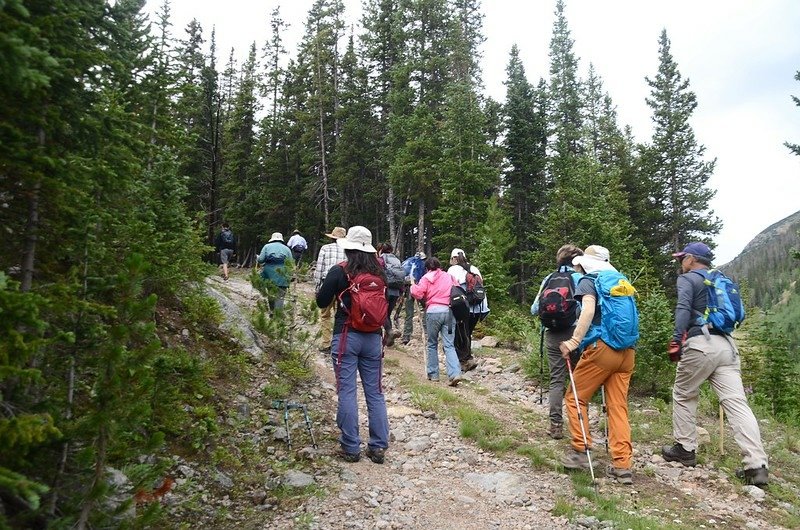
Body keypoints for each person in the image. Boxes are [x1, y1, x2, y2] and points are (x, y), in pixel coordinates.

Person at [662, 242, 769, 487]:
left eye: (682, 259)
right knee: (737, 403)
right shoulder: (719, 278)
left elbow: (682, 308)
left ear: (690, 259)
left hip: (701, 342)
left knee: (683, 393)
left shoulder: (688, 279)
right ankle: (756, 466)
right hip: (727, 346)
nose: (681, 263)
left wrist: (677, 339)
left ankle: (685, 449)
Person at [559, 245, 636, 485]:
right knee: (617, 406)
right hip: (627, 351)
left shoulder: (589, 280)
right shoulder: (621, 281)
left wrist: (574, 341)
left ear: (586, 262)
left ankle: (581, 451)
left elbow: (588, 310)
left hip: (602, 349)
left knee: (575, 398)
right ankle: (622, 465)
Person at [315, 226, 390, 464]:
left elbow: (321, 301)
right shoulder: (381, 273)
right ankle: (378, 447)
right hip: (373, 338)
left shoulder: (340, 271)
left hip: (346, 334)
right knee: (375, 392)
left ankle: (351, 447)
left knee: (347, 390)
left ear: (348, 248)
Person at [531, 244, 584, 439]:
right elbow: (586, 308)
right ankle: (579, 428)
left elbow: (534, 309)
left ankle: (555, 426)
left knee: (556, 381)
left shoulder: (548, 279)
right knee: (579, 379)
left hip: (552, 333)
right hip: (576, 334)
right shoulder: (580, 278)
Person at [411, 257, 463, 386]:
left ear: (427, 268)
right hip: (449, 313)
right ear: (439, 266)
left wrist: (412, 286)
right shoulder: (449, 276)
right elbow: (457, 290)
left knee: (432, 343)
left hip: (433, 312)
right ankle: (455, 373)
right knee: (449, 344)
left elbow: (418, 294)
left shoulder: (426, 278)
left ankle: (433, 374)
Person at [447, 248, 490, 373]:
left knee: (460, 334)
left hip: (463, 307)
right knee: (467, 333)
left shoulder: (453, 270)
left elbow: (451, 288)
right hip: (479, 308)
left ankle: (465, 360)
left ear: (454, 258)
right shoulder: (474, 269)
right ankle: (467, 358)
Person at [314, 226, 347, 354]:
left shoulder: (325, 248)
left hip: (327, 284)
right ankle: (340, 343)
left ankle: (326, 343)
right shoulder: (348, 250)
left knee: (325, 315)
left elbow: (319, 269)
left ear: (332, 238)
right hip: (344, 287)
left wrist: (317, 288)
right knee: (342, 316)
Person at [256, 232, 294, 312]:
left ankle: (272, 313)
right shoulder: (287, 249)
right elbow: (291, 263)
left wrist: (258, 257)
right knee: (280, 296)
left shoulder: (266, 246)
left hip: (269, 274)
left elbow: (261, 260)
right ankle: (278, 316)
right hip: (283, 275)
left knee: (271, 294)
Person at [377, 243, 404, 346]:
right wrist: (401, 292)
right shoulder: (396, 260)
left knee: (382, 313)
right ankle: (387, 340)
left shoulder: (380, 259)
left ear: (380, 250)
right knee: (387, 314)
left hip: (385, 289)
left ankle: (389, 332)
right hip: (396, 290)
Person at [400, 252, 427, 345]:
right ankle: (426, 331)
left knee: (409, 313)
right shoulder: (423, 264)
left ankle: (406, 335)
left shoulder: (408, 262)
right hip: (420, 288)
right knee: (427, 308)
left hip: (409, 289)